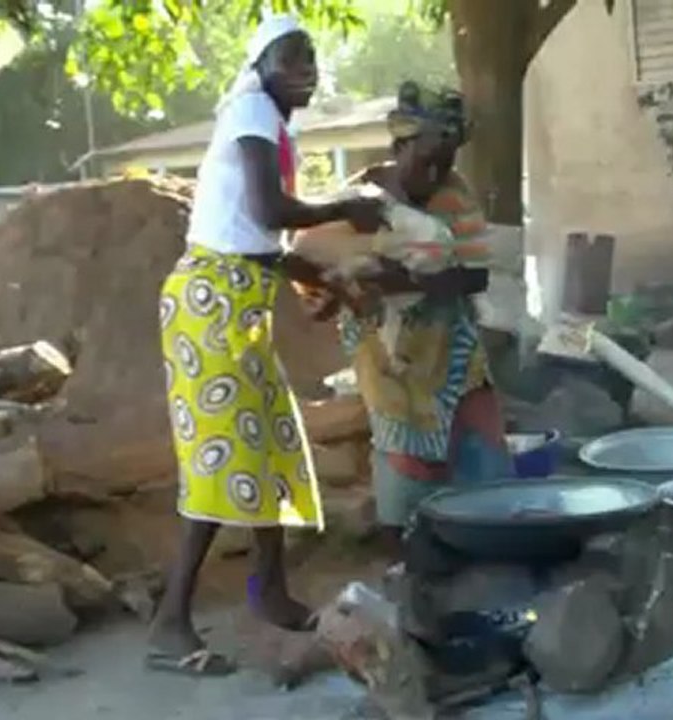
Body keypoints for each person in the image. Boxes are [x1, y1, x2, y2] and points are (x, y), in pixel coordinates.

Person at [147, 14, 385, 676]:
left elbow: (261, 242)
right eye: (289, 58)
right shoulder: (252, 110)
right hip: (211, 305)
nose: (304, 70)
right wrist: (347, 205)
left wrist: (324, 281)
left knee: (268, 440)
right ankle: (168, 626)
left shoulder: (271, 127)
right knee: (222, 455)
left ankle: (271, 590)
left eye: (310, 57)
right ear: (259, 68)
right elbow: (267, 212)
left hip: (233, 303)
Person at [306, 82, 512, 554]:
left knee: (484, 452)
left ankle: (489, 550)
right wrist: (342, 288)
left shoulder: (455, 194)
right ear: (399, 144)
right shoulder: (359, 201)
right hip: (388, 361)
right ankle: (407, 562)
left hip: (453, 348)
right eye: (427, 160)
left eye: (447, 161)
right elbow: (316, 277)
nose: (437, 173)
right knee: (407, 460)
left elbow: (475, 276)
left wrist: (396, 277)